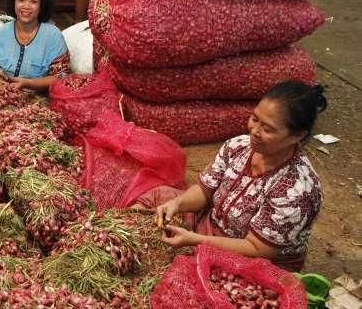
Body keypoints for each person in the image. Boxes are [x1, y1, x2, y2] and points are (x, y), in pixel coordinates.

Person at [140, 81, 327, 271]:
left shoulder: (297, 190)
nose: (254, 131)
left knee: (183, 275)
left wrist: (196, 241)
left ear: (297, 136)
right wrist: (177, 205)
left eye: (268, 129)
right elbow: (205, 192)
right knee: (157, 198)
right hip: (212, 224)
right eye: (255, 119)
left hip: (253, 258)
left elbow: (257, 248)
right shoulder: (238, 146)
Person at [0, 0, 70, 91]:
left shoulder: (53, 36)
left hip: (39, 100)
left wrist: (29, 83)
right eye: (21, 0)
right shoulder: (1, 33)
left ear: (42, 5)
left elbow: (61, 77)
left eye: (33, 2)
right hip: (2, 96)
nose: (26, 6)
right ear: (13, 2)